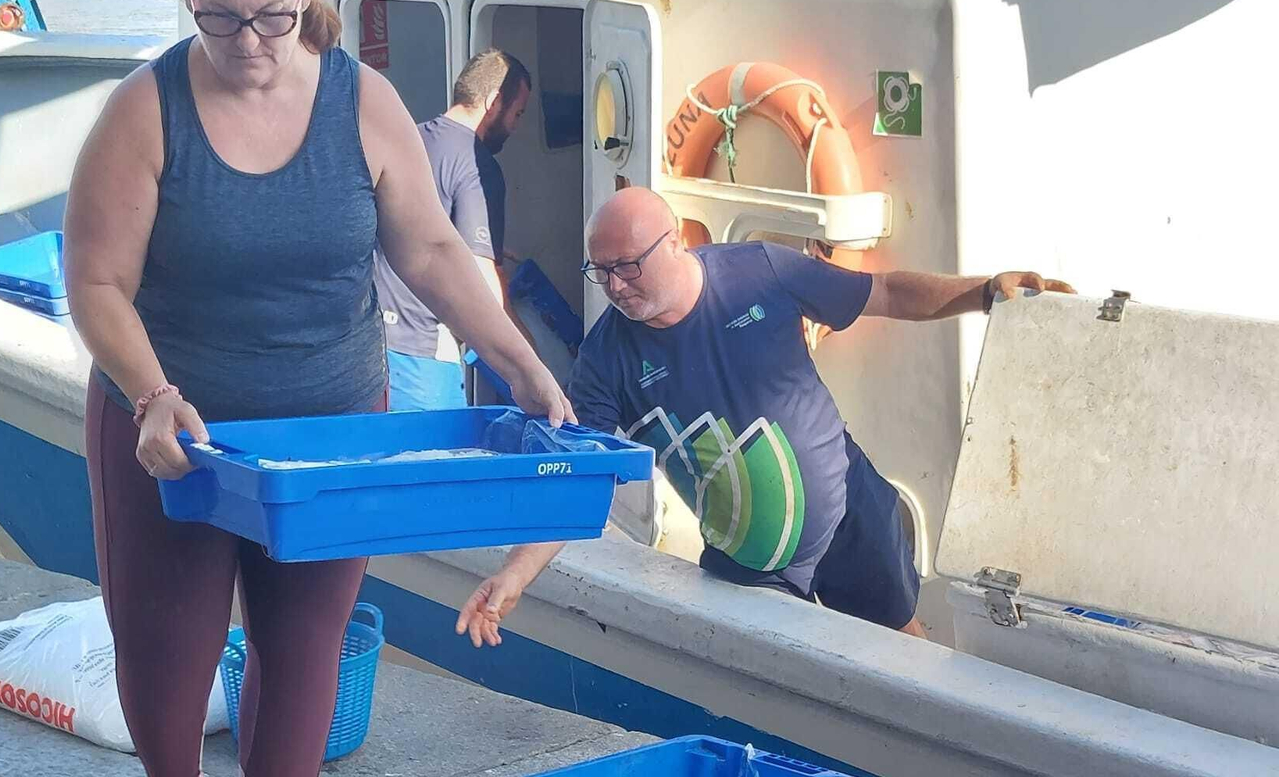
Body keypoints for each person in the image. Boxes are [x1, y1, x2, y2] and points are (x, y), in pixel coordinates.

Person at [64, 0, 570, 777]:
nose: (248, 42)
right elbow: (94, 280)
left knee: (302, 656)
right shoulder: (146, 113)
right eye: (220, 18)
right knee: (166, 669)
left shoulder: (362, 102)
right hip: (177, 435)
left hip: (329, 429)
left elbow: (429, 249)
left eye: (270, 18)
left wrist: (517, 361)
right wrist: (150, 392)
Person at [456, 186, 1073, 646]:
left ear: (674, 243)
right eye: (602, 271)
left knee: (905, 650)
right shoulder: (605, 360)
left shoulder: (760, 271)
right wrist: (514, 574)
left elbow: (882, 293)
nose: (614, 286)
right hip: (748, 564)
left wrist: (985, 292)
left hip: (848, 512)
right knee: (784, 686)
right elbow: (580, 478)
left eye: (628, 266)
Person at [372, 50, 534, 410]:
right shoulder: (477, 165)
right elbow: (483, 283)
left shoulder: (407, 141)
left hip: (369, 351)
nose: (516, 126)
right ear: (494, 102)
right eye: (518, 113)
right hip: (423, 355)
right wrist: (529, 367)